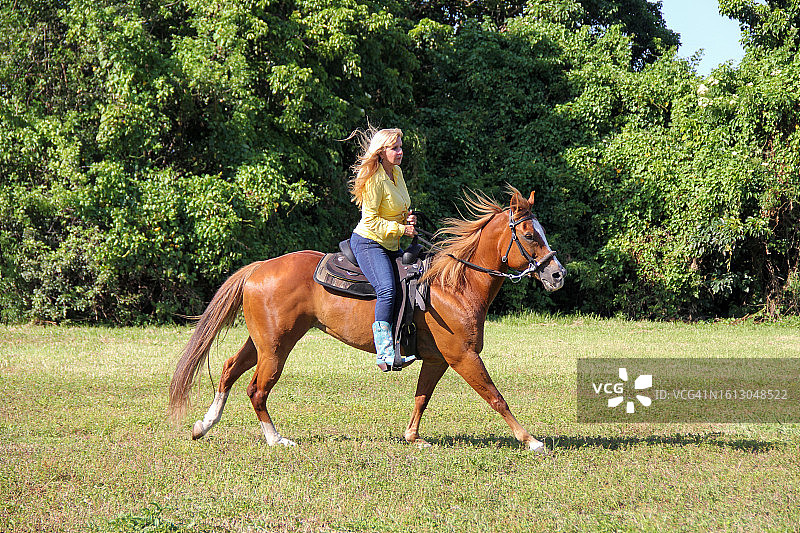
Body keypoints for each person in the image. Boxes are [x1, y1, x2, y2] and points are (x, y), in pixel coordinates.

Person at [348, 127, 417, 372]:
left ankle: (404, 342)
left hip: (390, 243)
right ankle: (384, 354)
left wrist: (407, 221)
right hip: (369, 242)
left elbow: (398, 207)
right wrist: (402, 231)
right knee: (387, 289)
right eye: (394, 148)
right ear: (381, 152)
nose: (400, 152)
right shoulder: (375, 178)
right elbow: (370, 221)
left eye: (400, 147)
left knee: (411, 281)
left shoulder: (396, 172)